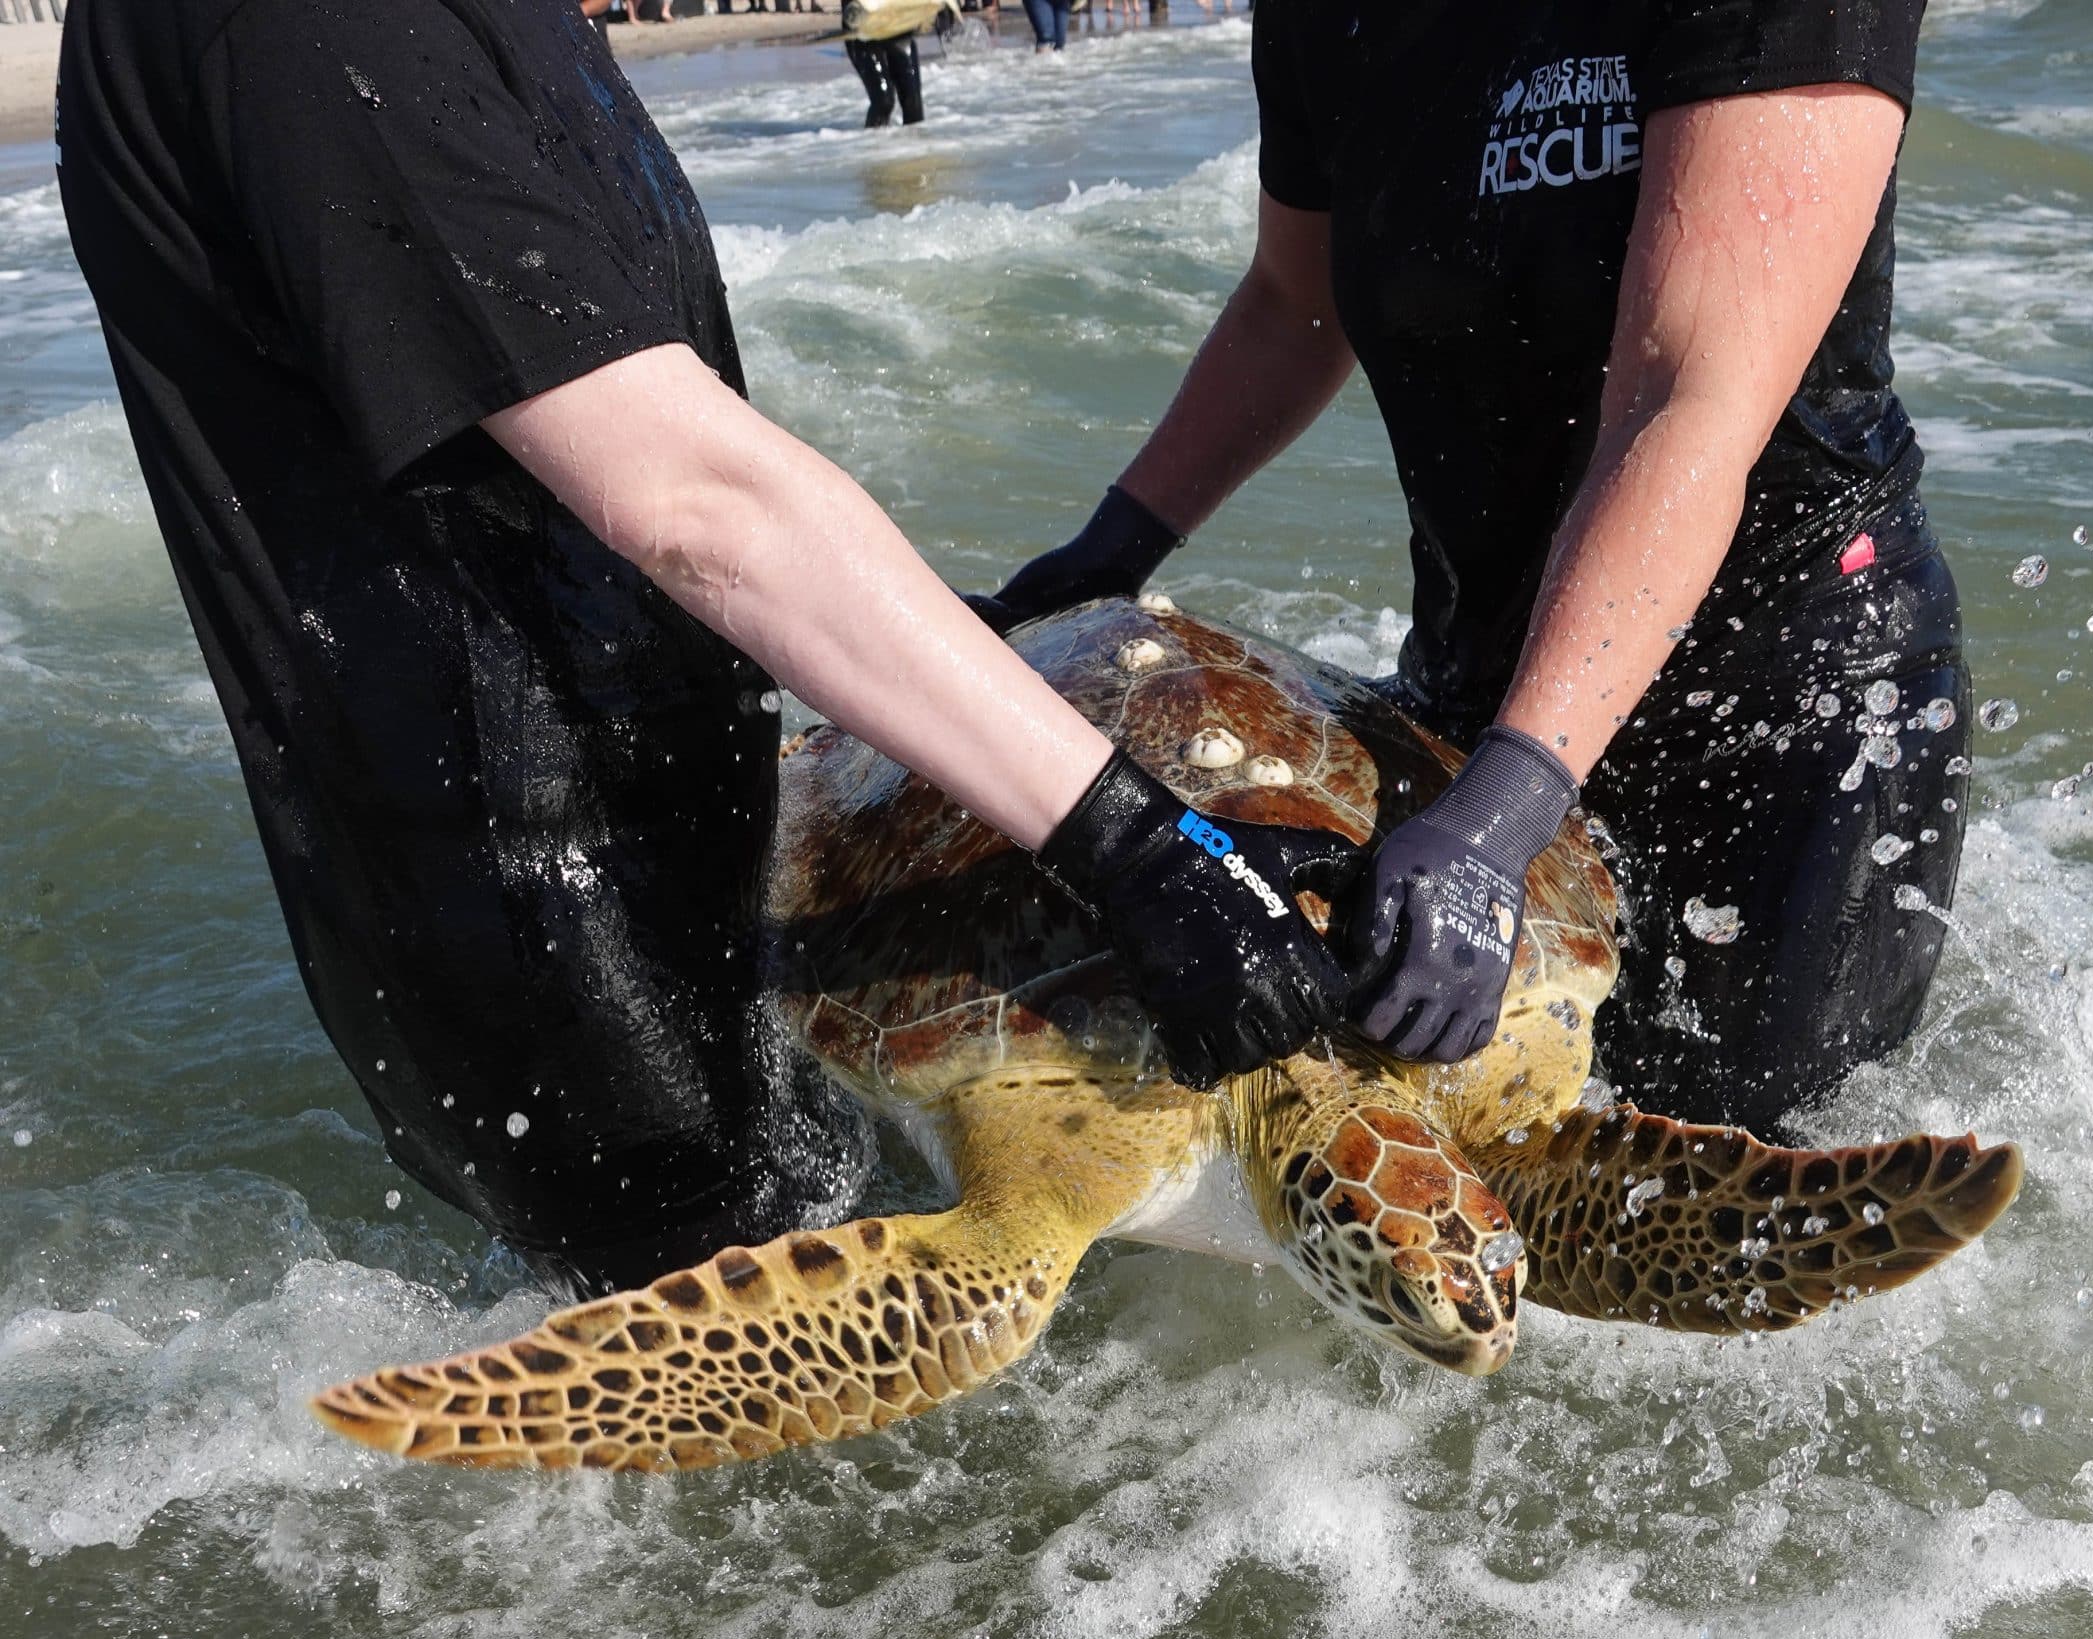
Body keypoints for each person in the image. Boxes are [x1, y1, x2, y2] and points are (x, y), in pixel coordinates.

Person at [54, 0, 1353, 1294]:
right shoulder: (314, 31)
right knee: (754, 1414)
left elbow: (608, 429)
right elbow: (688, 500)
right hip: (548, 933)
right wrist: (1138, 842)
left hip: (669, 846)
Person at [978, 0, 1968, 1139]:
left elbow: (1686, 403)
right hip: (1476, 679)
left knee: (1752, 1204)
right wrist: (1107, 553)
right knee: (1463, 1177)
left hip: (1779, 702)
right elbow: (1291, 304)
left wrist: (1501, 816)